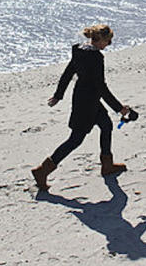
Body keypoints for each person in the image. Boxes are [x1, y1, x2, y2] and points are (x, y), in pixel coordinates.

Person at [31, 24, 132, 191]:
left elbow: (68, 73)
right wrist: (119, 108)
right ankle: (43, 170)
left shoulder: (79, 50)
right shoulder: (96, 57)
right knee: (75, 140)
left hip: (85, 98)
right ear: (100, 40)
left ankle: (107, 165)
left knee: (106, 125)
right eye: (108, 41)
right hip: (87, 103)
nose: (109, 44)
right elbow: (101, 87)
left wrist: (58, 95)